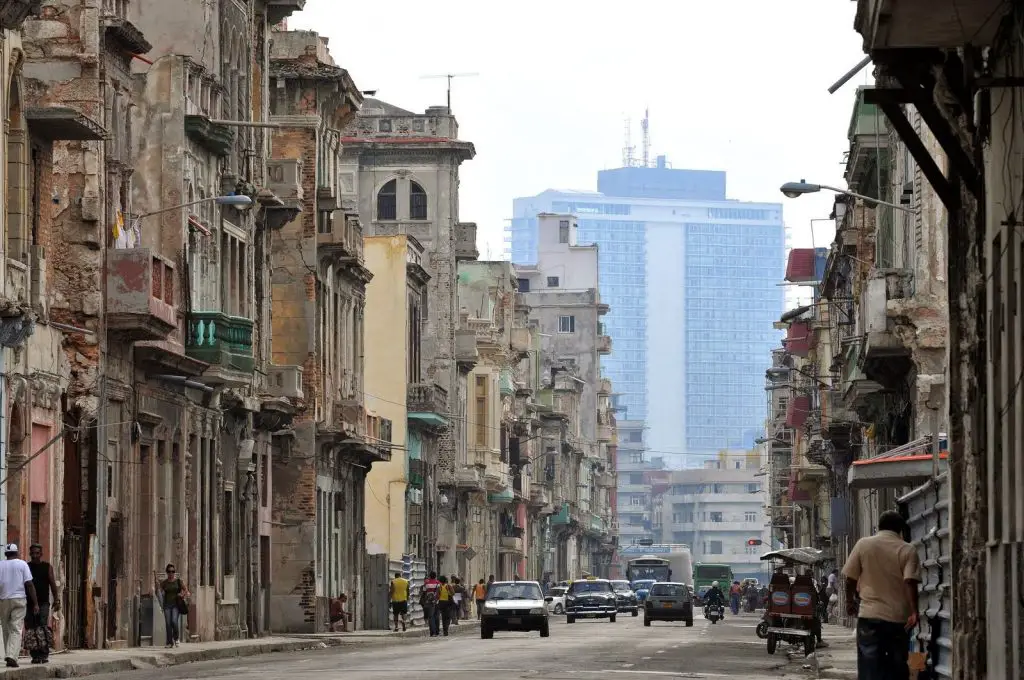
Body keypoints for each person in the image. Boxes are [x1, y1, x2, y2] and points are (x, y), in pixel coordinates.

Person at [842, 510, 921, 680]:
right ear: (900, 530)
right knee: (898, 666)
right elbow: (910, 582)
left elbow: (850, 579)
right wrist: (914, 612)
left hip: (870, 616)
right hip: (898, 619)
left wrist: (849, 602)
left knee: (869, 666)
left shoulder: (864, 545)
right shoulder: (908, 550)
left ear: (879, 527)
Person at [0, 544, 38, 668]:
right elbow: (29, 584)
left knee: (6, 628)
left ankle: (9, 655)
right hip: (19, 599)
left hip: (4, 600)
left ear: (6, 554)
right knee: (16, 628)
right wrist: (36, 603)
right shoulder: (22, 564)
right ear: (17, 553)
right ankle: (11, 656)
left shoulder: (0, 565)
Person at [26, 545, 59, 664]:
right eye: (32, 553)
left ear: (41, 554)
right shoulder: (27, 566)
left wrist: (56, 600)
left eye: (37, 553)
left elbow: (52, 584)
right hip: (29, 603)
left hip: (44, 602)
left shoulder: (47, 567)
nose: (34, 555)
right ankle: (34, 655)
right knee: (31, 629)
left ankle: (44, 654)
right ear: (30, 554)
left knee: (42, 627)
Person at [156, 563, 190, 648]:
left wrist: (182, 595)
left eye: (173, 571)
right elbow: (159, 592)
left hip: (176, 605)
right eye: (169, 571)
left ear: (174, 572)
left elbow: (186, 591)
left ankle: (176, 638)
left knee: (174, 621)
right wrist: (156, 588)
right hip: (167, 605)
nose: (171, 573)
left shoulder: (178, 581)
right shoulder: (164, 583)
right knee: (168, 623)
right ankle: (169, 642)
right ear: (167, 573)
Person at [420, 571, 441, 637]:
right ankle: (437, 631)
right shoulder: (438, 583)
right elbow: (439, 592)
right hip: (437, 601)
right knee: (437, 617)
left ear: (430, 576)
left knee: (431, 617)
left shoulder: (426, 583)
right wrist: (436, 600)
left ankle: (432, 632)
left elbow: (423, 592)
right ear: (435, 576)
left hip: (429, 602)